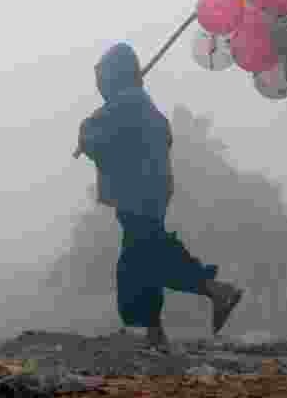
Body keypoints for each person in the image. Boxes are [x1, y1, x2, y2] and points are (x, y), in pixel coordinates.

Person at [77, 43, 243, 348]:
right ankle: (154, 331)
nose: (100, 86)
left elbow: (93, 138)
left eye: (102, 79)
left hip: (139, 192)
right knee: (142, 255)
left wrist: (89, 129)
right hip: (151, 190)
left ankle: (213, 293)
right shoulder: (140, 104)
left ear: (114, 78)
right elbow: (158, 136)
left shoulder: (125, 104)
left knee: (141, 259)